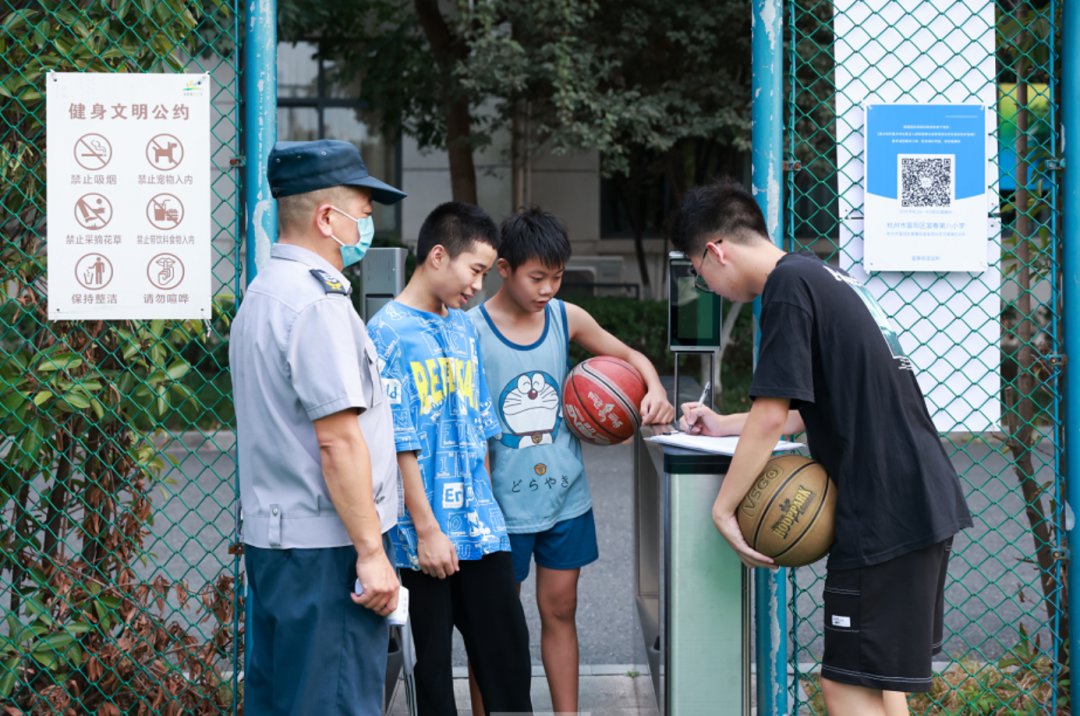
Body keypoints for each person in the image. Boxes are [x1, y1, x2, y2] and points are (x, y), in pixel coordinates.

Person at [670, 181, 972, 716]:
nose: (706, 284)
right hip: (918, 498)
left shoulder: (786, 288)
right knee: (878, 684)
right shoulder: (822, 276)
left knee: (843, 687)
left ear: (716, 249)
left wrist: (724, 510)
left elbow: (770, 417)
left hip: (883, 513)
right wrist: (722, 424)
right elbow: (799, 409)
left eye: (699, 271)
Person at [466, 207, 674, 713]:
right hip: (499, 508)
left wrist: (655, 389)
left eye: (557, 277)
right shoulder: (468, 330)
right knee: (493, 626)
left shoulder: (565, 317)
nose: (548, 289)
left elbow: (632, 358)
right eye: (537, 277)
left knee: (561, 610)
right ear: (505, 268)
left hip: (565, 499)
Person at [230, 139, 405, 715]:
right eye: (364, 212)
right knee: (334, 702)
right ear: (328, 218)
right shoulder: (317, 305)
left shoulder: (261, 295)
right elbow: (337, 439)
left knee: (282, 701)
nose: (368, 225)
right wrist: (372, 553)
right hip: (328, 552)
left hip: (277, 545)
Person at [366, 202, 533, 715]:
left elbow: (481, 428)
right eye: (476, 270)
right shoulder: (386, 333)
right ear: (438, 256)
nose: (479, 285)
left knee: (508, 661)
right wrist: (427, 530)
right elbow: (399, 443)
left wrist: (485, 510)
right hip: (422, 538)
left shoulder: (463, 327)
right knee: (432, 677)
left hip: (481, 530)